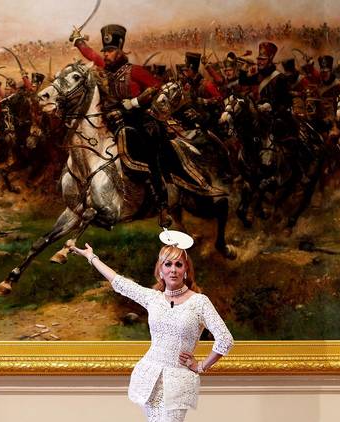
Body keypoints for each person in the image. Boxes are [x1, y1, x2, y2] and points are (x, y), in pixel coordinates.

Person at [70, 231, 233, 422]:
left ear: (186, 270)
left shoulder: (199, 302)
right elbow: (119, 282)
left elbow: (225, 339)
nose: (173, 270)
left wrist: (201, 366)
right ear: (160, 271)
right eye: (168, 264)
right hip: (149, 377)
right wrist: (91, 257)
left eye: (179, 265)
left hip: (178, 382)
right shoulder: (153, 298)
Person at [70, 24, 171, 227]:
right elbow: (92, 55)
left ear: (121, 49)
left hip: (140, 124)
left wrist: (134, 102)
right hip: (115, 124)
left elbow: (157, 86)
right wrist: (78, 41)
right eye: (105, 51)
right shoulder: (107, 68)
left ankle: (162, 204)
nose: (106, 56)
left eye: (111, 51)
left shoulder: (135, 71)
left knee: (146, 153)